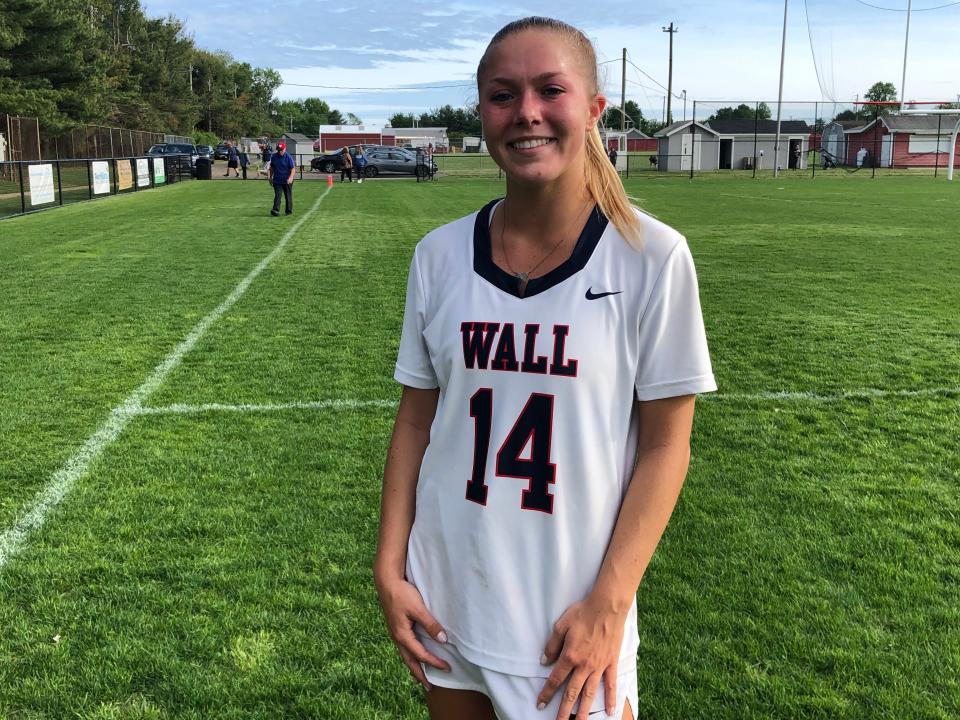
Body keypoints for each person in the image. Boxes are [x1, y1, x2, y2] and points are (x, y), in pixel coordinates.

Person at [375, 16, 716, 720]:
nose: (526, 112)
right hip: (449, 601)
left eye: (549, 90)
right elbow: (415, 422)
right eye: (503, 95)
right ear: (482, 115)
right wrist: (390, 567)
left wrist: (610, 604)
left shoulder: (652, 257)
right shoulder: (438, 256)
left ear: (593, 109)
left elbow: (665, 445)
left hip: (569, 624)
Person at [268, 141, 295, 216]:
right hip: (277, 180)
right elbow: (272, 168)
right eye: (278, 150)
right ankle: (275, 210)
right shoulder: (274, 156)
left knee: (288, 195)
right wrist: (270, 177)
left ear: (285, 149)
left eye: (281, 150)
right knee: (278, 195)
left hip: (287, 180)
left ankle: (288, 211)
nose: (280, 152)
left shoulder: (288, 157)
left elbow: (292, 169)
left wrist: (291, 177)